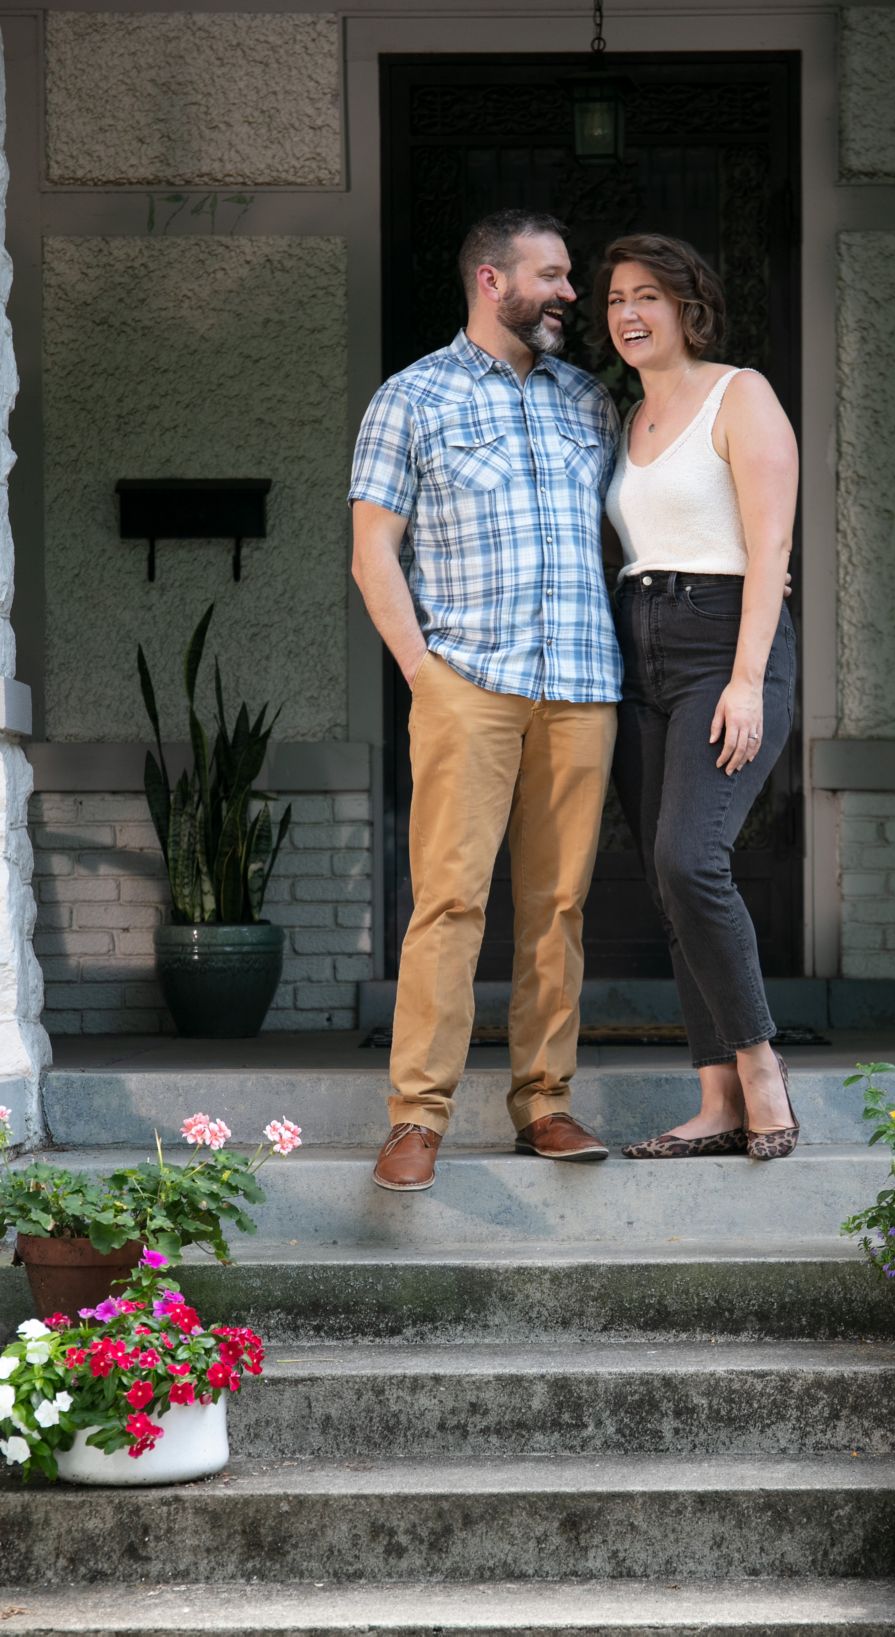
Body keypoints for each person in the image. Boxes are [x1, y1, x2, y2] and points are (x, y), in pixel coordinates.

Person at [348, 209, 621, 1192]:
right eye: (554, 273)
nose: (571, 293)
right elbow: (372, 546)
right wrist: (424, 672)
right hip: (467, 679)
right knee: (451, 901)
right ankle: (417, 1117)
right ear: (493, 282)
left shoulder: (589, 400)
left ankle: (544, 1103)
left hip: (583, 684)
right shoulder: (411, 398)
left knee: (559, 906)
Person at [596, 232, 800, 1160]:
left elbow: (771, 551)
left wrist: (749, 679)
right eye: (613, 300)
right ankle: (716, 1098)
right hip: (640, 645)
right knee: (667, 884)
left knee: (691, 858)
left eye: (646, 295)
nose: (627, 313)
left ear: (689, 307)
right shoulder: (621, 418)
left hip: (724, 639)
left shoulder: (740, 393)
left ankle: (760, 1068)